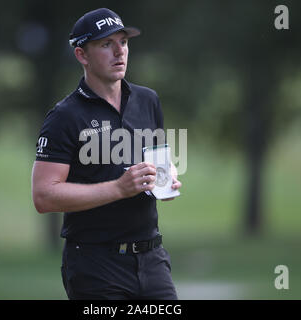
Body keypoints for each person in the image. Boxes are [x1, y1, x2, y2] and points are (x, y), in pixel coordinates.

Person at [31, 8, 182, 300]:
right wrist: (118, 188)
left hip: (153, 259)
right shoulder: (64, 117)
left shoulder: (148, 100)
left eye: (123, 42)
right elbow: (43, 196)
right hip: (96, 266)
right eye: (105, 44)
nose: (119, 52)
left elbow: (158, 160)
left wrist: (167, 179)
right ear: (82, 55)